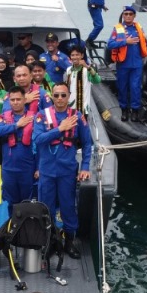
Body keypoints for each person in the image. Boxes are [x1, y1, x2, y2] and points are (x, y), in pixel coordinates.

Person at [33, 82, 92, 258]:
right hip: (47, 171)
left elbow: (88, 143)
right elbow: (38, 139)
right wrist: (60, 129)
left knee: (68, 206)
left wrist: (86, 166)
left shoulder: (76, 116)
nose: (59, 98)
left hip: (67, 171)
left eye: (63, 95)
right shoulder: (42, 116)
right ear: (51, 96)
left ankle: (69, 242)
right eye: (56, 95)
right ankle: (51, 241)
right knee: (46, 207)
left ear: (69, 96)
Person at [0, 86, 39, 205]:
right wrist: (16, 125)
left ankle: (27, 224)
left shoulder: (35, 117)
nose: (15, 102)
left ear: (24, 99)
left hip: (28, 167)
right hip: (9, 168)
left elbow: (40, 145)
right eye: (12, 100)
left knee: (28, 202)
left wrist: (39, 167)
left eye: (18, 99)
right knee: (11, 202)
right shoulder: (3, 117)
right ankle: (12, 223)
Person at [107, 5, 147, 122]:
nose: (128, 16)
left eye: (131, 14)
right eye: (126, 14)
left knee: (135, 88)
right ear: (123, 15)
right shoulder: (118, 29)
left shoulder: (139, 28)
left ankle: (135, 111)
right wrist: (126, 42)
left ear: (134, 16)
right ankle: (124, 110)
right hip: (123, 64)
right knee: (122, 87)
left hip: (137, 65)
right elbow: (110, 44)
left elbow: (144, 43)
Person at [65, 45, 102, 112]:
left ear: (82, 56)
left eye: (77, 55)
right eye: (72, 55)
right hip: (71, 106)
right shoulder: (69, 70)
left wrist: (88, 67)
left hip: (83, 108)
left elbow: (97, 80)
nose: (75, 57)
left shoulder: (86, 70)